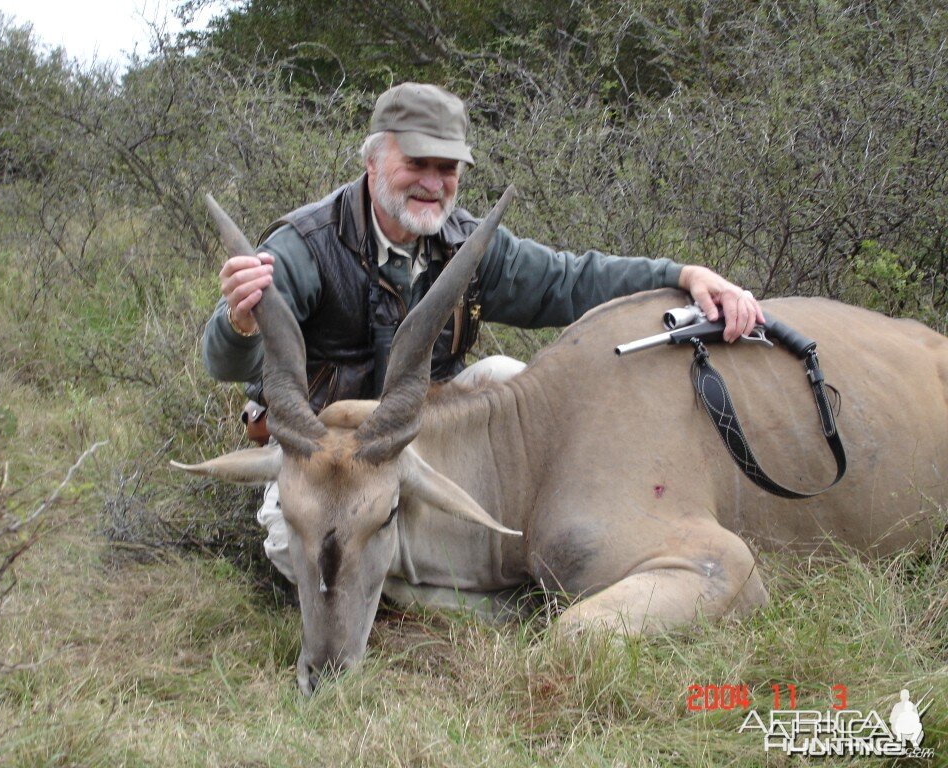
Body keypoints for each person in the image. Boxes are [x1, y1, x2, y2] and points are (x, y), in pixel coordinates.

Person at [202, 82, 765, 582]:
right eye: (416, 162)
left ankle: (498, 556)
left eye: (447, 169)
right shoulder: (306, 245)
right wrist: (240, 322)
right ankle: (446, 587)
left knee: (507, 377)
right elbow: (225, 364)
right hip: (332, 451)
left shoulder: (466, 246)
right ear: (374, 161)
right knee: (285, 546)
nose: (432, 183)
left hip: (432, 433)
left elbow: (569, 282)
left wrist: (680, 275)